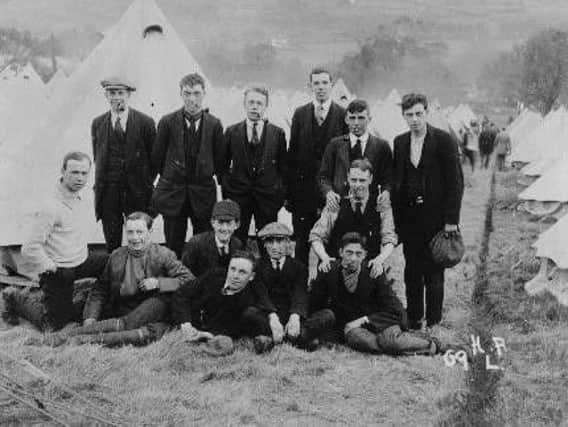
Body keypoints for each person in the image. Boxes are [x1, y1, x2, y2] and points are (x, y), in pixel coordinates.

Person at [32, 212, 194, 347]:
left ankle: (63, 339)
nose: (135, 238)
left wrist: (159, 283)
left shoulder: (163, 255)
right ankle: (20, 302)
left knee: (128, 327)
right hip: (120, 307)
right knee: (63, 314)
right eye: (130, 232)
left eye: (140, 232)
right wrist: (90, 319)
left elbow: (189, 280)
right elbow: (100, 289)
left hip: (151, 307)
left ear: (150, 232)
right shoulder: (117, 255)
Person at [1, 152, 108, 331]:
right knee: (54, 326)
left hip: (80, 261)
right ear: (63, 172)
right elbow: (29, 248)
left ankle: (92, 299)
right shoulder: (50, 206)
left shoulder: (80, 197)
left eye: (84, 173)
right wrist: (49, 265)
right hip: (59, 270)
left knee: (112, 261)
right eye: (74, 172)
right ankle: (15, 298)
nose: (80, 178)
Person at [391, 93, 464, 330]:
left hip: (436, 219)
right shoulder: (400, 142)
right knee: (412, 271)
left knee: (434, 272)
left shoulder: (443, 140)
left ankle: (433, 321)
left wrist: (451, 220)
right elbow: (398, 180)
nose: (414, 119)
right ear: (403, 115)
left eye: (418, 114)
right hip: (410, 220)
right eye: (409, 115)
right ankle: (414, 318)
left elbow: (455, 183)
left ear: (427, 112)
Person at [310, 232, 444, 355]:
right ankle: (396, 344)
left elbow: (396, 311)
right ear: (340, 252)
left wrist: (364, 320)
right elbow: (314, 301)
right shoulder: (330, 270)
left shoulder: (374, 272)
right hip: (356, 329)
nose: (353, 258)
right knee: (357, 338)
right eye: (349, 253)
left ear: (364, 255)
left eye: (358, 254)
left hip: (382, 321)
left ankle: (434, 345)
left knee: (390, 342)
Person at [152, 73, 224, 258]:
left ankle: (199, 282)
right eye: (187, 93)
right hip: (174, 194)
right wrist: (175, 176)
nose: (192, 99)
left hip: (203, 195)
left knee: (202, 245)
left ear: (204, 94)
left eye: (197, 93)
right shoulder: (167, 122)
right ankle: (173, 283)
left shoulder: (214, 125)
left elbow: (220, 161)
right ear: (181, 94)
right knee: (172, 246)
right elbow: (157, 160)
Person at [287, 67, 348, 265]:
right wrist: (290, 194)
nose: (320, 87)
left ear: (331, 85)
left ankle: (326, 293)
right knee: (301, 248)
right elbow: (292, 155)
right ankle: (300, 294)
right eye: (316, 83)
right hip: (303, 194)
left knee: (330, 247)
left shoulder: (343, 115)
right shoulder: (300, 114)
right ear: (310, 86)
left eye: (324, 83)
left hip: (332, 195)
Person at [243, 222, 335, 351]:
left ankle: (272, 339)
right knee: (248, 313)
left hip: (292, 314)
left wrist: (295, 317)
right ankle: (301, 339)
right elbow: (261, 295)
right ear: (264, 244)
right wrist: (273, 319)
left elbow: (300, 293)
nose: (275, 246)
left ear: (288, 243)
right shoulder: (258, 267)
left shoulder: (299, 267)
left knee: (328, 315)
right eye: (270, 242)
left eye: (280, 241)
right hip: (269, 315)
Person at [92, 77, 157, 253]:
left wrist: (143, 183)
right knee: (111, 241)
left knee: (138, 239)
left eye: (121, 93)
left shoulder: (145, 123)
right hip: (108, 193)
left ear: (129, 95)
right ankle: (115, 275)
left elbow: (154, 161)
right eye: (112, 93)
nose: (116, 97)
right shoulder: (98, 123)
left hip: (137, 192)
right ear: (106, 95)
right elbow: (98, 158)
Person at [172, 251, 283, 354]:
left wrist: (204, 334)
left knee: (225, 344)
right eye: (233, 269)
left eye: (242, 272)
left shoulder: (246, 300)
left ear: (251, 276)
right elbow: (182, 294)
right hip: (187, 316)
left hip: (210, 330)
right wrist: (185, 323)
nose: (235, 276)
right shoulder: (213, 275)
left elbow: (225, 327)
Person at [219, 85, 287, 245]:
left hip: (267, 197)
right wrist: (228, 189)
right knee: (237, 240)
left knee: (268, 241)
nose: (254, 106)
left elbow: (284, 168)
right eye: (251, 102)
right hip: (238, 196)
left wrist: (278, 194)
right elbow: (222, 165)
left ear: (266, 106)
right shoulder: (231, 131)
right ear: (244, 104)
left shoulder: (277, 133)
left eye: (259, 103)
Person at [310, 158, 397, 279]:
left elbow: (389, 239)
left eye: (362, 180)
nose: (357, 185)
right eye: (354, 180)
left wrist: (379, 260)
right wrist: (325, 258)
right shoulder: (336, 202)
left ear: (370, 179)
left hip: (369, 268)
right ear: (348, 178)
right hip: (337, 267)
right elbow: (316, 236)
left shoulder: (381, 204)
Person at [319, 99, 392, 209]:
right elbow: (323, 176)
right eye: (352, 118)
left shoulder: (381, 146)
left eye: (361, 118)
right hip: (340, 206)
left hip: (370, 208)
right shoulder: (335, 145)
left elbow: (388, 179)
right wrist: (328, 192)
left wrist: (386, 192)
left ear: (369, 119)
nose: (356, 123)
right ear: (346, 120)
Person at [181, 199, 243, 278]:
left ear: (237, 225)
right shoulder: (196, 243)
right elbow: (184, 275)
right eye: (220, 222)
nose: (224, 228)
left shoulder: (237, 244)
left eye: (229, 223)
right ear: (212, 222)